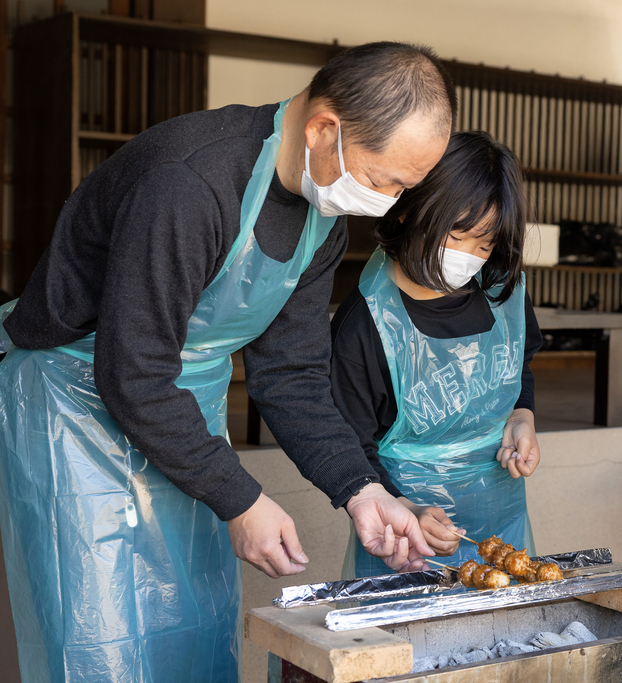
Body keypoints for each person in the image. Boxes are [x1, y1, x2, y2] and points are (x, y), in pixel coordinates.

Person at [0, 42, 455, 682]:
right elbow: (131, 371)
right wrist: (240, 500)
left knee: (191, 628)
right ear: (325, 128)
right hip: (75, 406)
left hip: (183, 418)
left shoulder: (323, 216)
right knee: (100, 642)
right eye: (386, 181)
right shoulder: (194, 180)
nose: (389, 202)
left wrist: (362, 490)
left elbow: (291, 376)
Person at [329, 130, 543, 577]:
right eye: (457, 236)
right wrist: (400, 506)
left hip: (502, 519)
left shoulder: (501, 288)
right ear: (411, 211)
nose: (468, 258)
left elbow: (519, 364)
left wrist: (522, 416)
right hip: (406, 534)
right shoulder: (366, 324)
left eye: (484, 245)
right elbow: (351, 445)